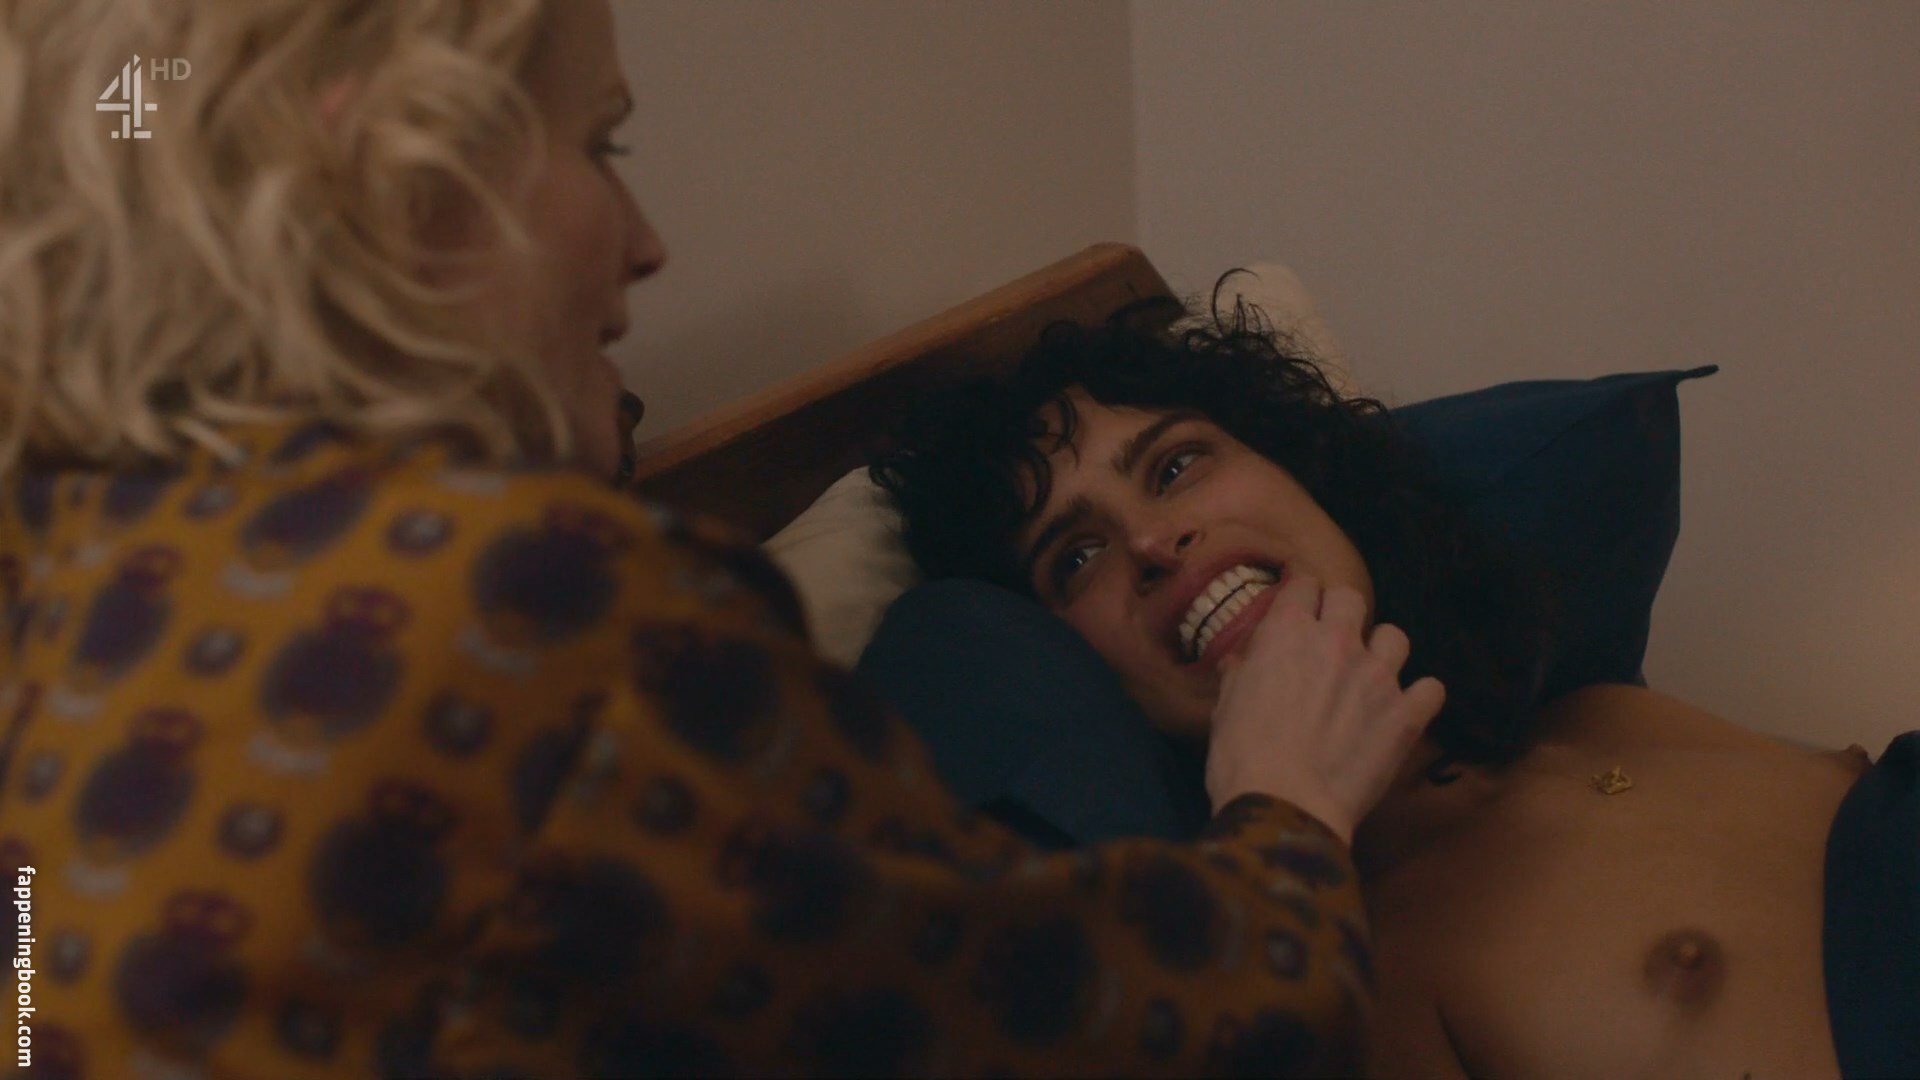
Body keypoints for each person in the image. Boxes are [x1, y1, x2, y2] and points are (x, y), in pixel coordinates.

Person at [0, 2, 1442, 1076]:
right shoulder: (541, 613)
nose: (646, 243)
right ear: (391, 171)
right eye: (600, 145)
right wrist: (1288, 812)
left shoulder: (57, 583)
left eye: (1180, 465)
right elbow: (1094, 1026)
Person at [870, 295, 1918, 1078]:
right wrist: (1286, 809)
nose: (1151, 541)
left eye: (1177, 465)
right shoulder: (1353, 982)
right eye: (1077, 557)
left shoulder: (1601, 712)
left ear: (1311, 480)